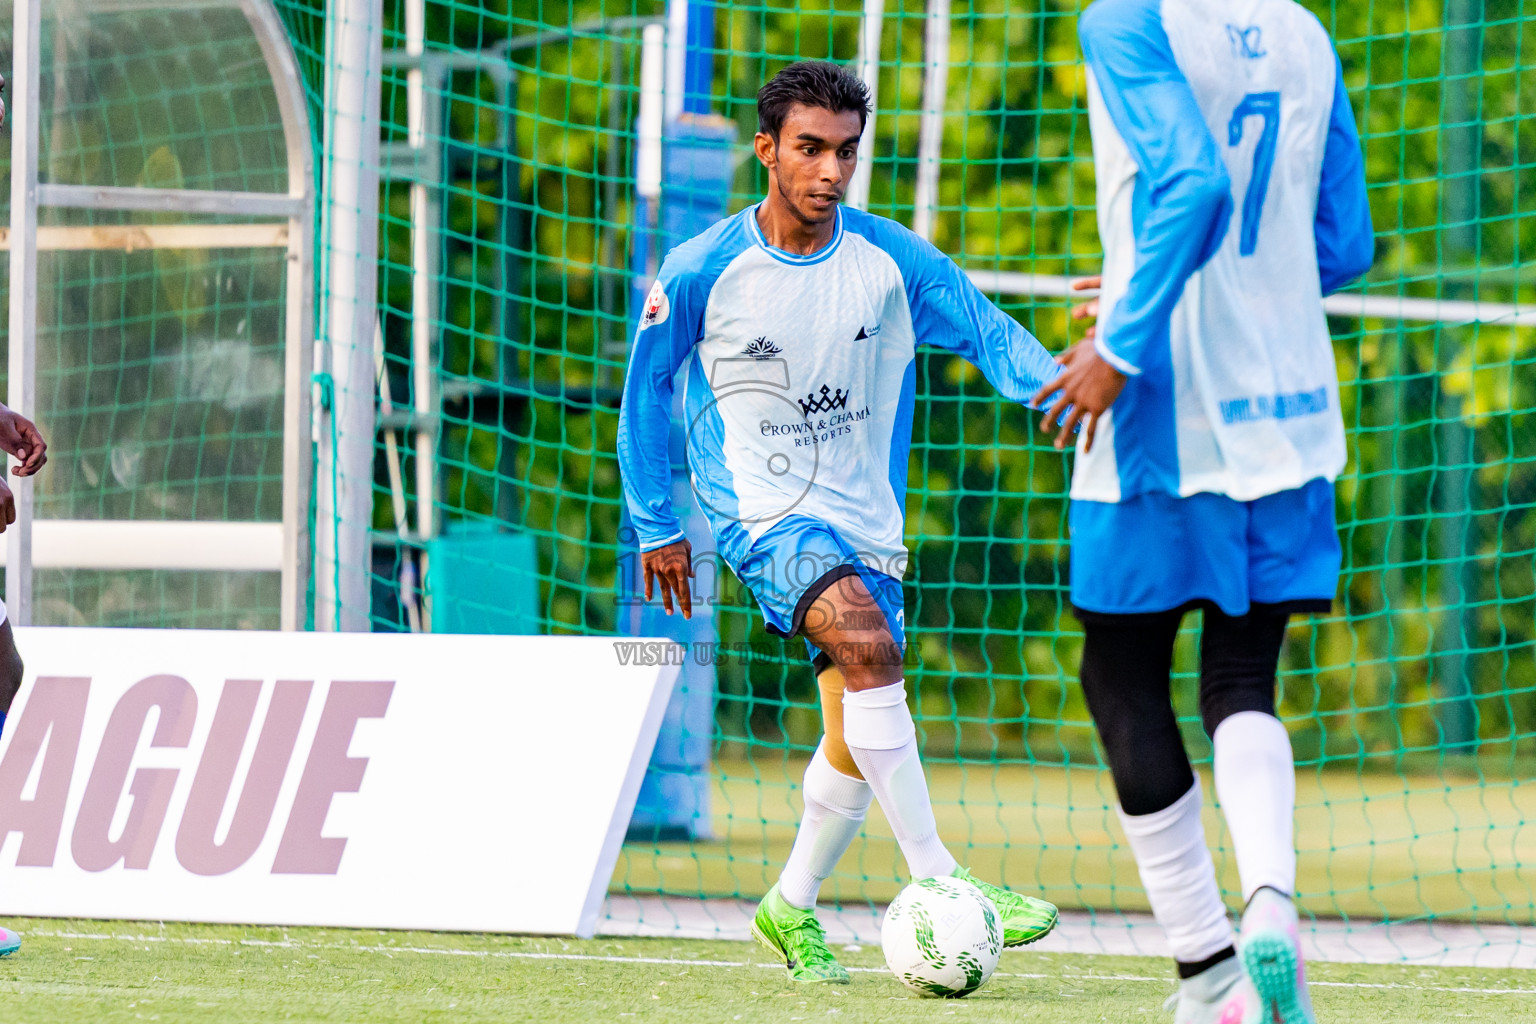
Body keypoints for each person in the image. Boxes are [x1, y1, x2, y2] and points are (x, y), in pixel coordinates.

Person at [618, 60, 1060, 983]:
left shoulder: (893, 262)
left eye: (845, 154)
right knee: (871, 653)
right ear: (767, 149)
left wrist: (1061, 394)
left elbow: (988, 332)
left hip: (867, 525)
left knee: (855, 736)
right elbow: (645, 393)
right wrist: (657, 522)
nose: (829, 172)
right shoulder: (701, 268)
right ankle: (950, 883)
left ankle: (789, 908)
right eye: (810, 150)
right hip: (763, 514)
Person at [1034, 0, 1373, 1021]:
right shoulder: (1307, 32)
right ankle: (1272, 900)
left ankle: (1208, 971)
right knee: (1240, 676)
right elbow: (1344, 243)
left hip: (1167, 403)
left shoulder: (1125, 20)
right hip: (1292, 407)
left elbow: (1194, 182)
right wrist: (1161, 283)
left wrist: (1124, 337)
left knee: (1120, 669)